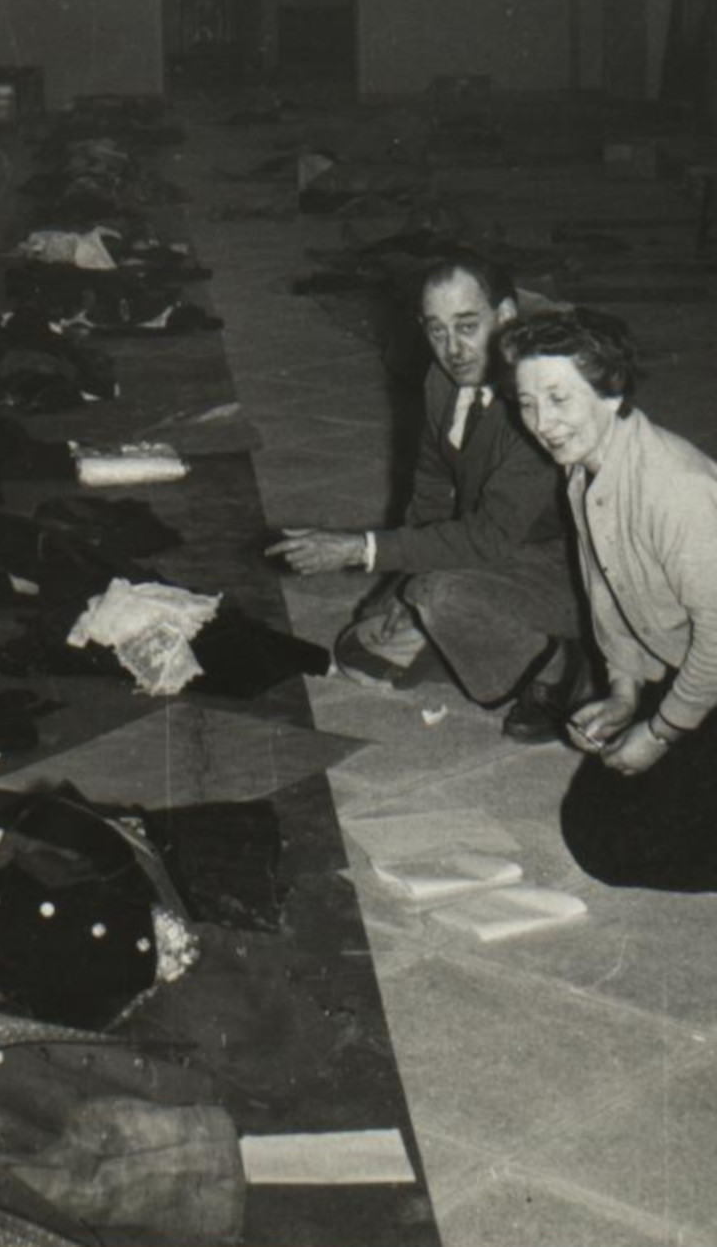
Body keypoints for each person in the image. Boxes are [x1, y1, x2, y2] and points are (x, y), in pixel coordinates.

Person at [266, 251, 586, 741]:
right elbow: (432, 490)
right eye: (436, 330)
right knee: (379, 622)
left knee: (439, 598)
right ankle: (478, 630)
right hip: (511, 547)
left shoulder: (537, 405)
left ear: (505, 317)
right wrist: (402, 584)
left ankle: (561, 668)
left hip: (578, 570)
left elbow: (489, 538)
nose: (452, 348)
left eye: (466, 326)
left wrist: (363, 550)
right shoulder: (443, 380)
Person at [501, 306, 717, 891]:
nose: (541, 422)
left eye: (559, 398)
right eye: (526, 402)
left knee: (629, 849)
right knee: (594, 819)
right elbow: (605, 592)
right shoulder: (586, 469)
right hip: (689, 672)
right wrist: (624, 694)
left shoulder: (678, 489)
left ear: (611, 392)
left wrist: (663, 731)